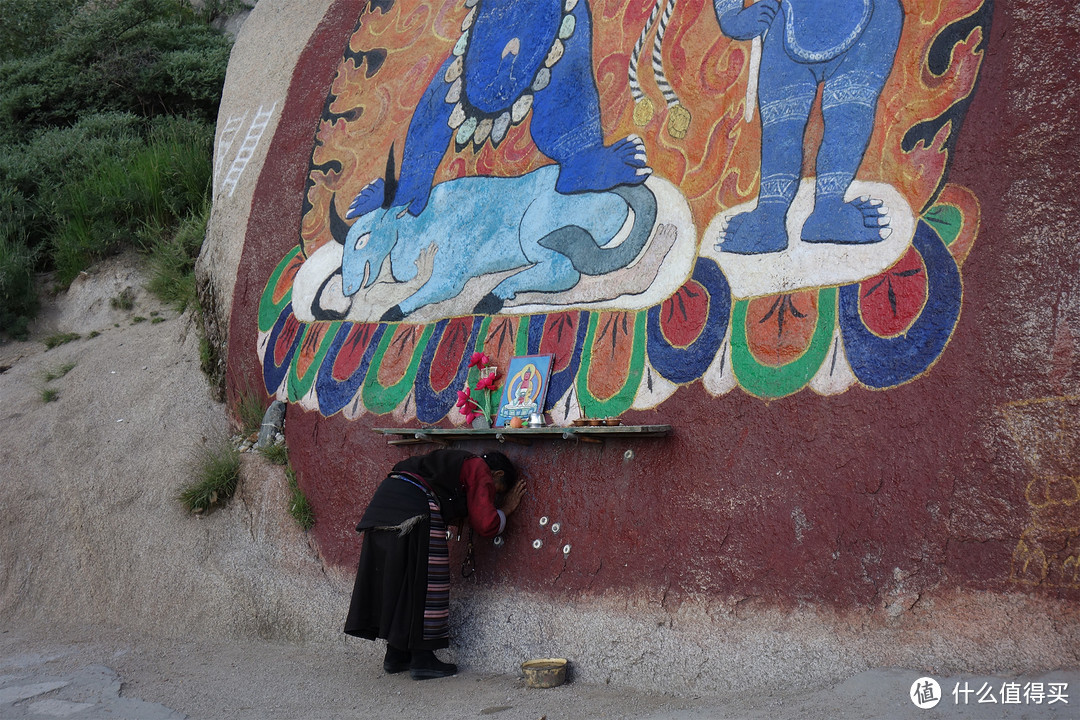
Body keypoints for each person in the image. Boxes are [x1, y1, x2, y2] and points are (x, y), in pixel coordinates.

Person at [344, 449, 526, 680]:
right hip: (415, 509)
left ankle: (396, 654)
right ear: (496, 473)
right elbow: (485, 523)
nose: (492, 496)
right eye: (495, 490)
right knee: (426, 583)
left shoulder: (448, 463)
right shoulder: (479, 467)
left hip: (384, 505)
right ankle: (422, 658)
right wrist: (506, 510)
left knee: (401, 582)